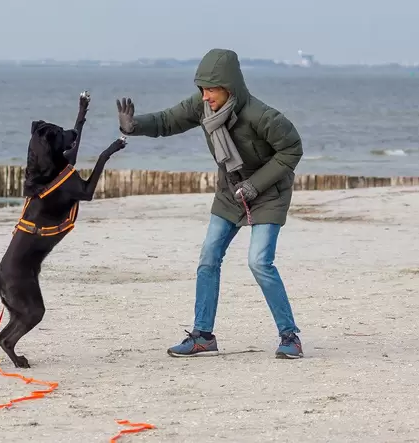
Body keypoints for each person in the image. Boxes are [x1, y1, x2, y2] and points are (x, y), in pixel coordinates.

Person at [115, 48, 304, 359]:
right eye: (201, 89)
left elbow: (292, 150)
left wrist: (254, 186)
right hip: (230, 193)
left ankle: (290, 336)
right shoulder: (201, 107)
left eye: (211, 89)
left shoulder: (262, 116)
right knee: (208, 258)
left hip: (268, 193)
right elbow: (166, 121)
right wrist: (133, 126)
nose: (204, 96)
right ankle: (203, 335)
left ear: (230, 87)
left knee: (259, 262)